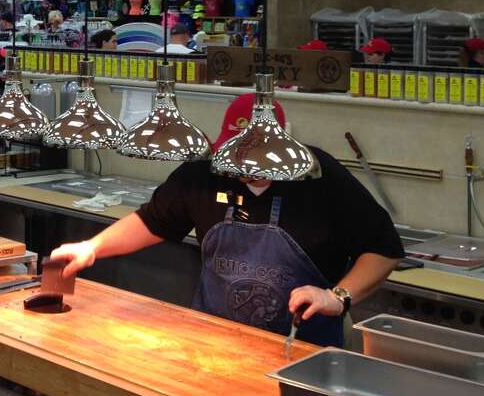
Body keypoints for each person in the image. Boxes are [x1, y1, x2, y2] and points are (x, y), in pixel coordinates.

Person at [51, 92, 403, 346]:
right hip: (213, 342)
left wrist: (338, 296)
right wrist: (91, 247)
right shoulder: (206, 172)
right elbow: (153, 221)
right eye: (235, 156)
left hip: (301, 349)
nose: (242, 170)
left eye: (256, 161)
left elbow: (384, 249)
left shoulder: (320, 175)